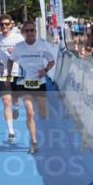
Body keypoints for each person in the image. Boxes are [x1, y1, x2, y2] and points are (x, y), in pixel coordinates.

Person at [7, 21, 56, 154]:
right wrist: (9, 75)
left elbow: (52, 61)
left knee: (43, 113)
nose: (29, 33)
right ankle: (34, 142)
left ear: (35, 31)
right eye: (27, 31)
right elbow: (10, 60)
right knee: (30, 112)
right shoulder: (18, 47)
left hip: (39, 83)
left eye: (31, 30)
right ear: (23, 33)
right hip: (25, 83)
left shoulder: (42, 45)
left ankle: (40, 132)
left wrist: (45, 70)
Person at [0, 13, 24, 142]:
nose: (4, 26)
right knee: (6, 102)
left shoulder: (18, 38)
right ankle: (11, 132)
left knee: (16, 99)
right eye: (2, 24)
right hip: (4, 74)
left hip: (17, 73)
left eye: (6, 24)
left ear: (11, 25)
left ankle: (16, 108)